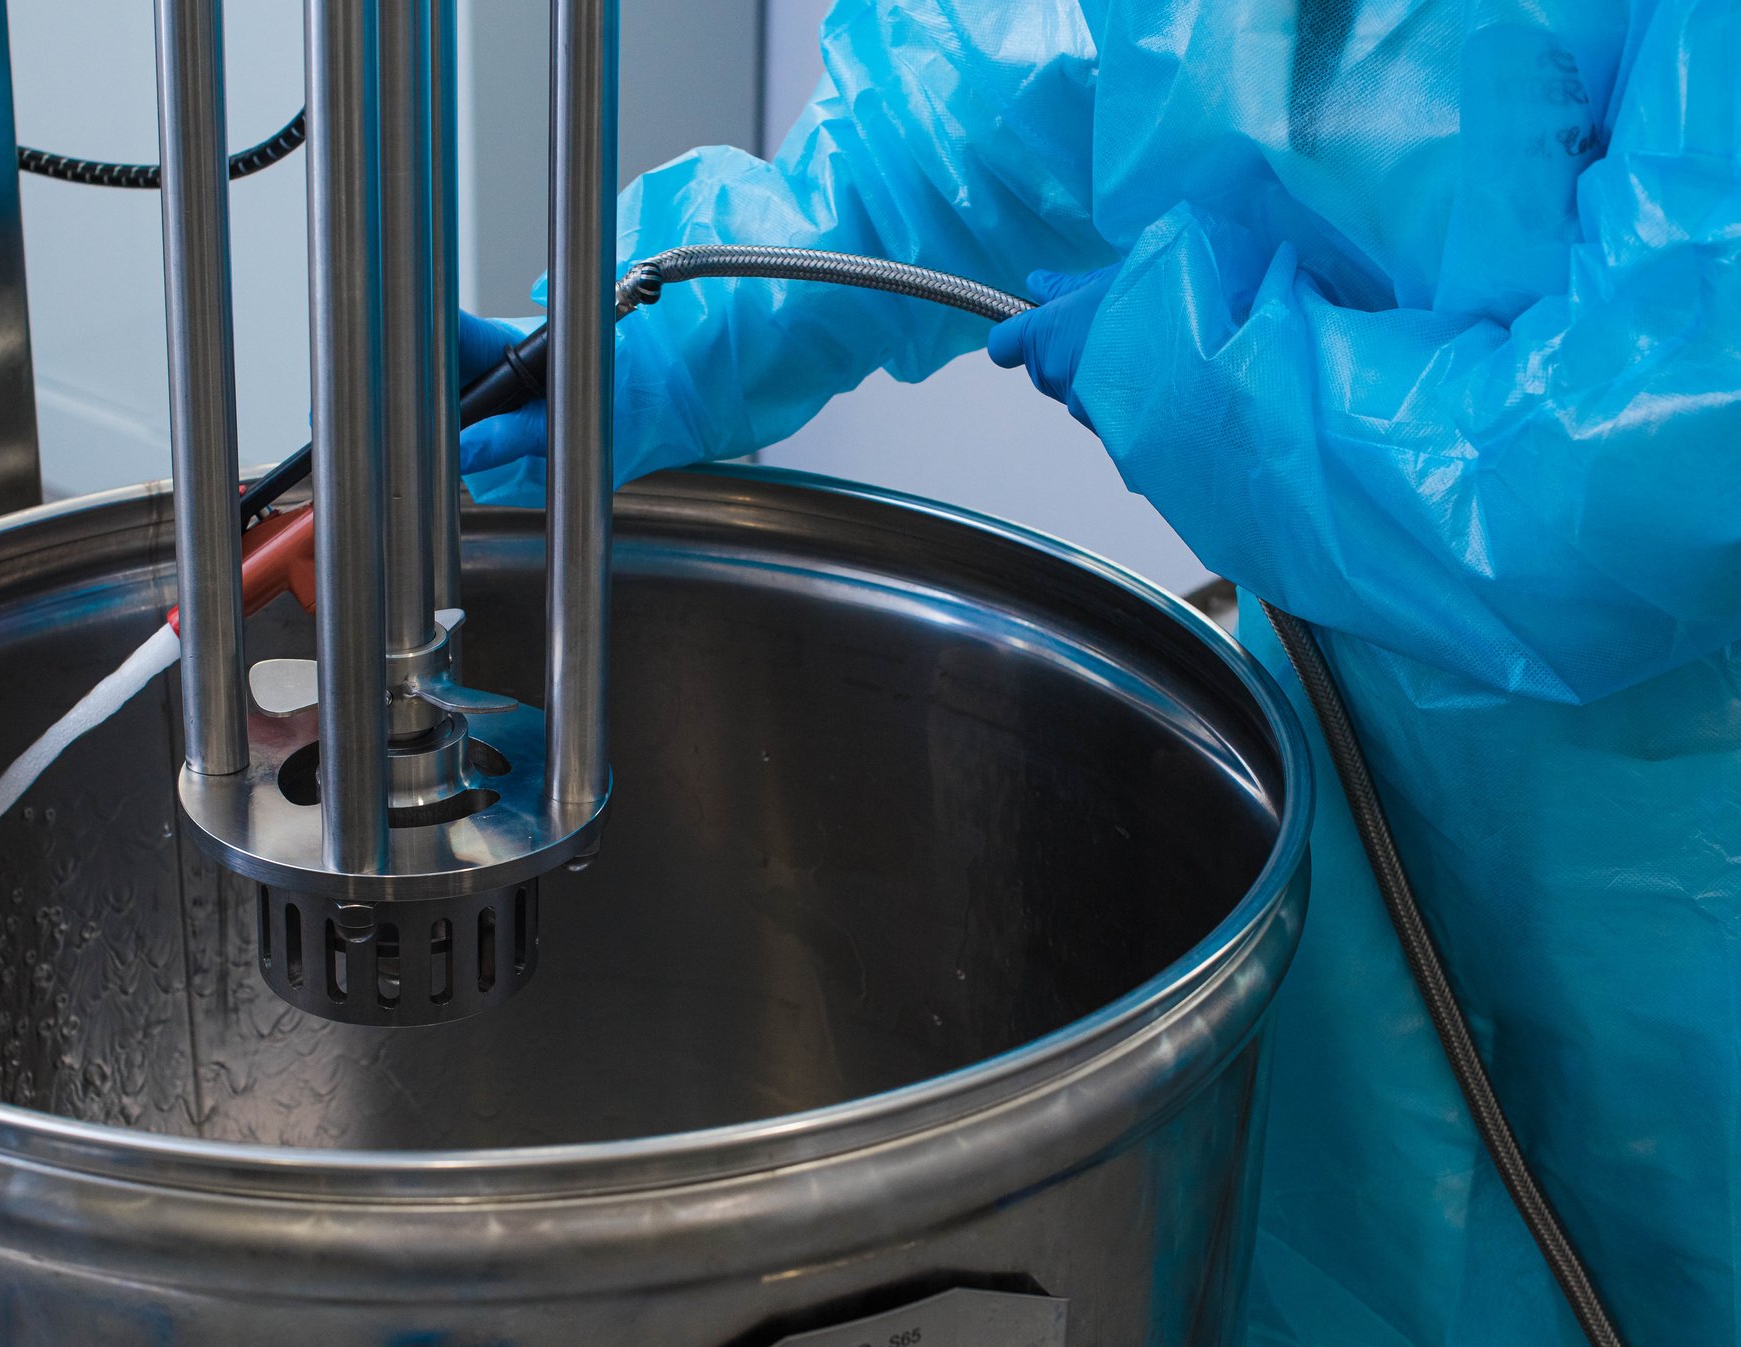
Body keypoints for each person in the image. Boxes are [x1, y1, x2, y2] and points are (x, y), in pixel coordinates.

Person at [460, 4, 1741, 1344]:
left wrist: (1207, 383)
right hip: (1372, 788)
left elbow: (1626, 483)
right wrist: (650, 336)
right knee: (1357, 1256)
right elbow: (1001, 106)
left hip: (1674, 874)